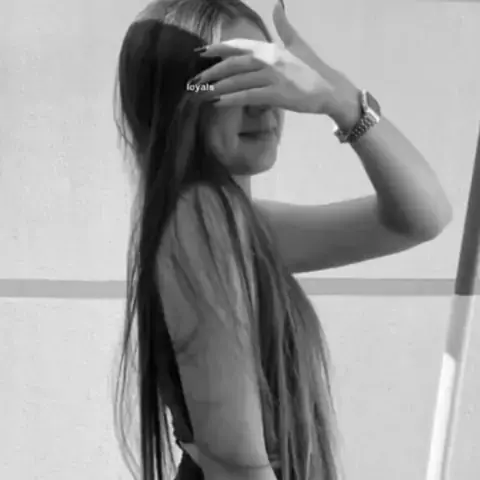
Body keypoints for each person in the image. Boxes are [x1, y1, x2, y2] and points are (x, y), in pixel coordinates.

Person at [112, 1, 453, 480]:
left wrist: (337, 97)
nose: (263, 103)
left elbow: (421, 216)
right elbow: (240, 470)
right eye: (230, 78)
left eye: (269, 74)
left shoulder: (232, 225)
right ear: (174, 101)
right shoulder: (201, 219)